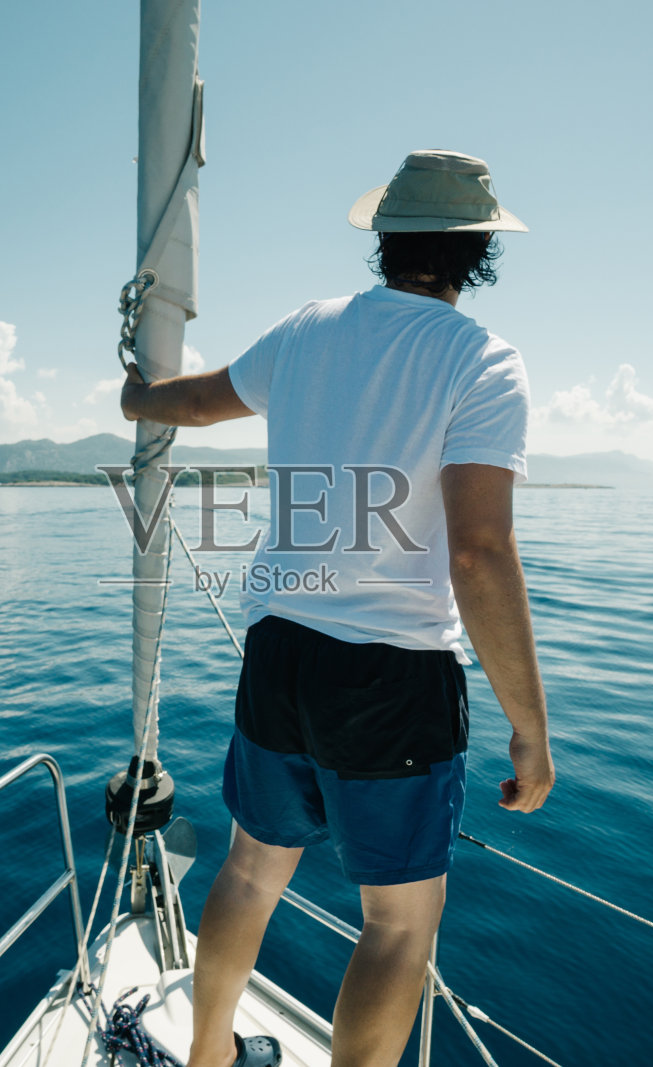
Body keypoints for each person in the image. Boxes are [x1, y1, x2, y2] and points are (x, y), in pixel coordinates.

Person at [120, 149, 555, 1067]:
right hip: (393, 671)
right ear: (478, 251)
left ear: (385, 239)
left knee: (248, 867)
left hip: (280, 648)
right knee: (397, 926)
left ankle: (208, 1056)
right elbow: (478, 553)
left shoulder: (308, 329)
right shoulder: (483, 361)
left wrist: (137, 395)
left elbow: (195, 402)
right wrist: (530, 728)